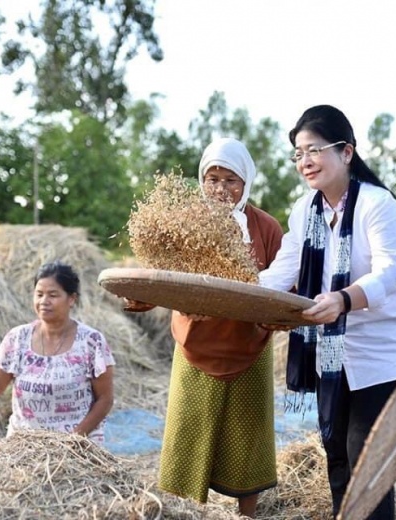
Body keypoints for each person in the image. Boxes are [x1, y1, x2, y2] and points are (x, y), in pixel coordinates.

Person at [257, 105, 396, 519]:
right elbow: (280, 273)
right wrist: (223, 297)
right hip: (332, 354)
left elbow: (390, 272)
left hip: (384, 354)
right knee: (336, 456)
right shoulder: (304, 211)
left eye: (314, 149)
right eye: (298, 153)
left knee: (366, 464)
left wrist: (344, 299)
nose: (304, 161)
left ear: (346, 152)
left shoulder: (376, 204)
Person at [126, 137, 283, 518]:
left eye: (231, 180)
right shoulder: (183, 224)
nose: (221, 189)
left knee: (249, 439)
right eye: (212, 179)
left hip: (250, 348)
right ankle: (186, 511)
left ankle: (247, 514)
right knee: (187, 437)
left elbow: (284, 285)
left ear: (246, 181)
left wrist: (273, 314)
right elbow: (158, 275)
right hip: (195, 349)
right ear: (202, 180)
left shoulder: (265, 228)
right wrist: (144, 295)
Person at [0, 261, 115, 444]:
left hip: (77, 448)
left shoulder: (91, 342)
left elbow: (105, 399)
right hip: (25, 448)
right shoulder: (18, 338)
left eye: (53, 295)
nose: (44, 302)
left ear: (71, 298)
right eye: (39, 294)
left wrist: (73, 440)